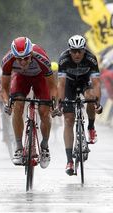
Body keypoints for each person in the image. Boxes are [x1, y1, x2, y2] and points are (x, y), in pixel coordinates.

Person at [1, 37, 57, 169]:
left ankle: (44, 146)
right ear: (14, 55)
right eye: (19, 59)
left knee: (44, 111)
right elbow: (4, 89)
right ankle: (19, 147)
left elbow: (53, 87)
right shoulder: (7, 60)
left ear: (31, 53)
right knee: (18, 106)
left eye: (26, 58)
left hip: (40, 78)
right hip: (21, 78)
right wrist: (6, 103)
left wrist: (54, 104)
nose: (22, 62)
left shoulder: (41, 58)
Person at [57, 35, 102, 176]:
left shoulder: (91, 58)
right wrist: (60, 103)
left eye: (79, 51)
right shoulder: (63, 59)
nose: (76, 54)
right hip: (69, 85)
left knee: (90, 97)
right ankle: (69, 160)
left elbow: (96, 83)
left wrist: (97, 103)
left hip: (84, 82)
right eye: (73, 51)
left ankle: (91, 127)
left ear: (84, 50)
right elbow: (61, 84)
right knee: (69, 120)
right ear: (69, 51)